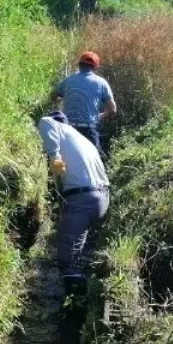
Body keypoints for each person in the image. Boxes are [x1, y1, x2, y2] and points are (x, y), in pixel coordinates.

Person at [38, 111, 110, 296]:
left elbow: (46, 126)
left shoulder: (50, 123)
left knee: (67, 254)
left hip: (83, 198)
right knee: (78, 244)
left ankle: (75, 305)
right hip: (101, 198)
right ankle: (79, 284)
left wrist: (54, 157)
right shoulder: (83, 140)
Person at [50, 51, 117, 152]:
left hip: (67, 128)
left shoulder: (69, 80)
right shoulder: (101, 83)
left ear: (79, 65)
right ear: (95, 67)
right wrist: (100, 116)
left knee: (60, 159)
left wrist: (58, 101)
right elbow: (112, 110)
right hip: (88, 130)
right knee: (98, 161)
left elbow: (53, 96)